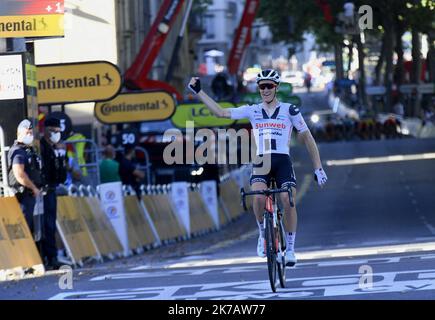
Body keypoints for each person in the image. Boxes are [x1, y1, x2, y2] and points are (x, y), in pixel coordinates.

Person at [188, 69, 328, 267]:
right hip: (262, 161)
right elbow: (221, 113)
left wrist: (318, 168)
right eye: (262, 86)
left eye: (269, 86)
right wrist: (199, 92)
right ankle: (263, 234)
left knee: (288, 200)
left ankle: (291, 249)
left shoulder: (290, 110)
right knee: (259, 197)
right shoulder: (252, 110)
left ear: (276, 87)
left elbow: (307, 138)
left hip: (282, 161)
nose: (266, 90)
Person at [40, 117, 67, 270]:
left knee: (51, 224)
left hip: (52, 189)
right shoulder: (42, 147)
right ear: (46, 130)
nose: (56, 134)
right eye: (53, 131)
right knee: (46, 225)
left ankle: (53, 257)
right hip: (44, 190)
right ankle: (49, 257)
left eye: (58, 131)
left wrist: (61, 156)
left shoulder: (56, 148)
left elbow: (61, 176)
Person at [7, 119, 43, 234]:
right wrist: (33, 188)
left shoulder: (27, 150)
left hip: (29, 196)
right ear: (19, 134)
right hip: (22, 195)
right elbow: (19, 174)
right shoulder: (18, 151)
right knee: (24, 230)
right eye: (27, 133)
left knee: (30, 229)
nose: (29, 135)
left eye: (31, 133)